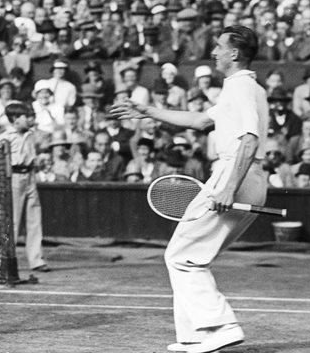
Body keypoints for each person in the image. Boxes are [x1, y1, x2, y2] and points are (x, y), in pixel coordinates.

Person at [111, 25, 268, 353]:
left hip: (233, 175)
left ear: (234, 54)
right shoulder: (246, 87)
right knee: (184, 256)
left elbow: (249, 139)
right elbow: (201, 121)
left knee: (183, 257)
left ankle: (221, 326)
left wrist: (228, 188)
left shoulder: (239, 88)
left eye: (219, 47)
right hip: (248, 178)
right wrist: (148, 111)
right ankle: (194, 335)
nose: (214, 53)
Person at [0, 101, 49, 272]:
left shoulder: (31, 134)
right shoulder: (5, 137)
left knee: (35, 218)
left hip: (30, 176)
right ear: (15, 119)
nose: (31, 119)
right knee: (12, 220)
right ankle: (4, 259)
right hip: (13, 178)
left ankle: (36, 260)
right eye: (27, 116)